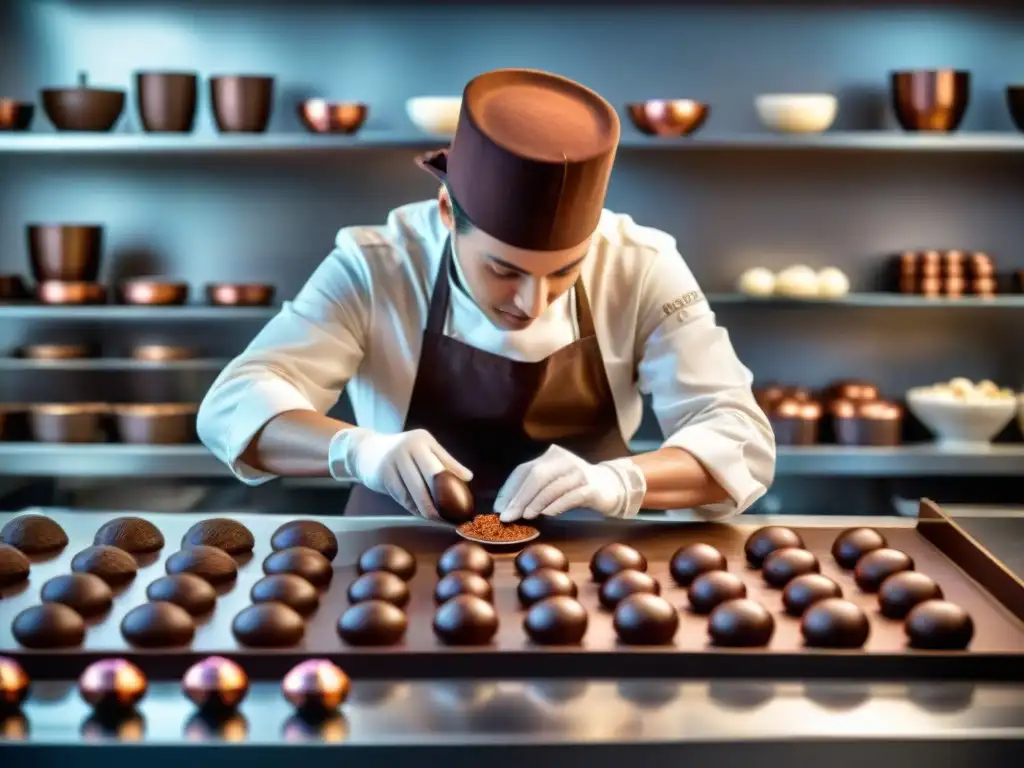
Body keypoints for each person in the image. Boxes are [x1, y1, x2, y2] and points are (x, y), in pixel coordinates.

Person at [197, 68, 775, 524]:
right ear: (448, 211)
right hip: (397, 562)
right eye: (504, 269)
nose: (532, 301)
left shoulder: (641, 263)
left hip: (593, 567)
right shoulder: (376, 264)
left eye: (564, 272)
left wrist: (620, 481)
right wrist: (359, 451)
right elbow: (233, 405)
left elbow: (739, 437)